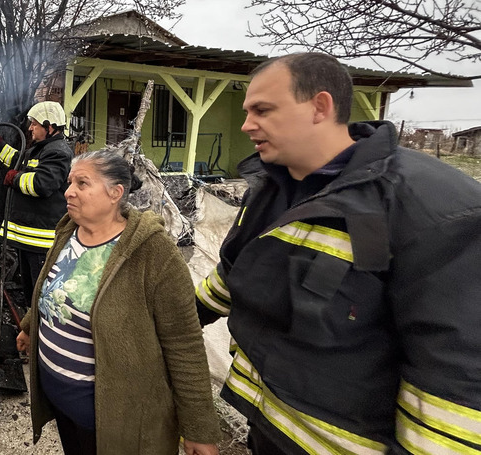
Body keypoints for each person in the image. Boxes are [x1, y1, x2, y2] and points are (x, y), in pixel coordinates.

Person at [195, 52, 481, 454]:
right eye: (246, 111)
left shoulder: (432, 208)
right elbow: (233, 276)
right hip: (267, 427)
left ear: (320, 106)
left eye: (262, 109)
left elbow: (454, 382)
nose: (246, 125)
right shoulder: (269, 189)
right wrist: (174, 317)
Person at [17, 150, 221, 455]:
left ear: (115, 193)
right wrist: (29, 327)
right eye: (70, 182)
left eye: (82, 183)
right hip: (60, 401)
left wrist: (199, 428)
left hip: (110, 419)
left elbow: (184, 343)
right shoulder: (68, 232)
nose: (68, 191)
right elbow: (53, 288)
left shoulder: (153, 253)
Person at [0, 101, 73, 305]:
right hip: (29, 238)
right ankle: (30, 330)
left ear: (50, 127)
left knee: (40, 296)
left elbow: (42, 184)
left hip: (40, 242)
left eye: (35, 124)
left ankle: (40, 333)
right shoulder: (40, 150)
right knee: (31, 293)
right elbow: (16, 160)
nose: (30, 128)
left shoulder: (57, 152)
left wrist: (15, 179)